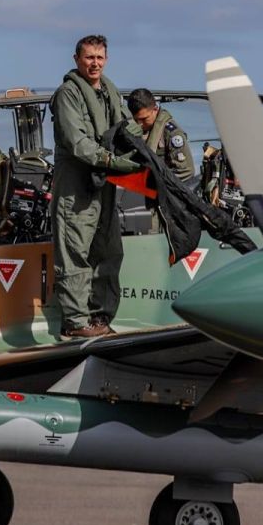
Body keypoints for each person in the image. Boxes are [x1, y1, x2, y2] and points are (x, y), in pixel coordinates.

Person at [50, 35, 141, 339]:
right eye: (89, 57)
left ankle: (100, 317)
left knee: (109, 249)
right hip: (76, 187)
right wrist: (114, 161)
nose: (95, 63)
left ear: (106, 60)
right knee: (74, 251)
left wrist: (141, 153)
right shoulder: (68, 94)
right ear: (77, 59)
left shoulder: (110, 92)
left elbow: (127, 128)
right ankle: (76, 322)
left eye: (99, 57)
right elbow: (77, 142)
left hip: (104, 185)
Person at [127, 88, 196, 183]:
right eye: (136, 120)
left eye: (144, 119)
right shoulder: (139, 129)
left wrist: (156, 181)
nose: (140, 124)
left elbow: (186, 171)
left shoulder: (172, 134)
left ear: (155, 109)